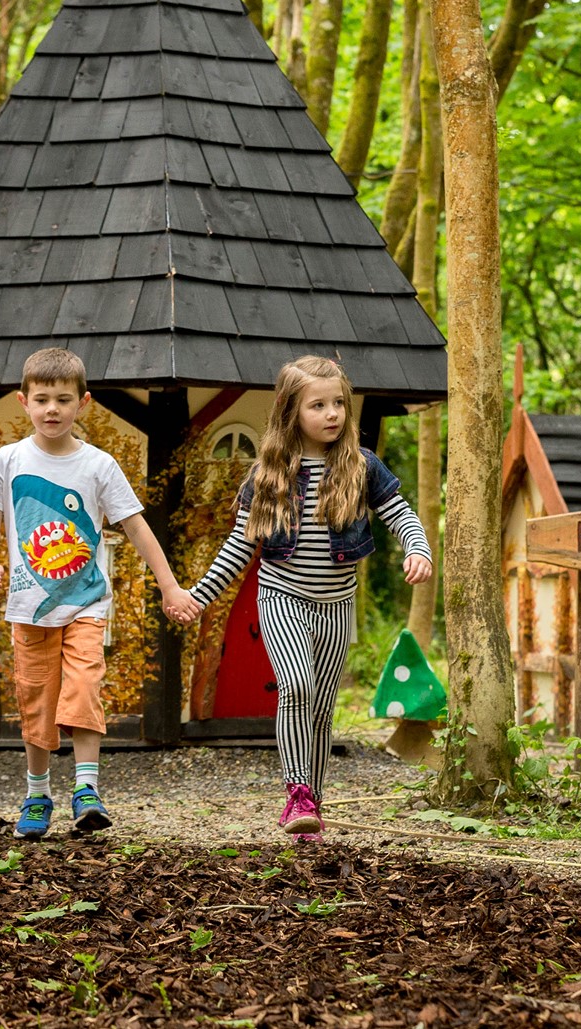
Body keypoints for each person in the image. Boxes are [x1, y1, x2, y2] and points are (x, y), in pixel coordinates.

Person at [167, 356, 432, 840]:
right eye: (318, 405)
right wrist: (199, 596)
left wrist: (418, 548)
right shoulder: (270, 475)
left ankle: (312, 805)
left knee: (321, 708)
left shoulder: (361, 466)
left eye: (338, 404)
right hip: (282, 597)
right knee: (296, 688)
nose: (332, 414)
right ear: (291, 411)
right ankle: (297, 793)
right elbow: (238, 549)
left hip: (336, 604)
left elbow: (400, 514)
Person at [0, 347, 195, 839]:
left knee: (83, 688)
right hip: (29, 609)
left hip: (86, 604)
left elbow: (136, 528)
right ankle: (37, 795)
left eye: (63, 399)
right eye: (42, 399)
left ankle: (87, 790)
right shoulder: (8, 461)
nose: (52, 409)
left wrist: (170, 586)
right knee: (36, 701)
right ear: (23, 402)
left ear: (84, 403)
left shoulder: (98, 466)